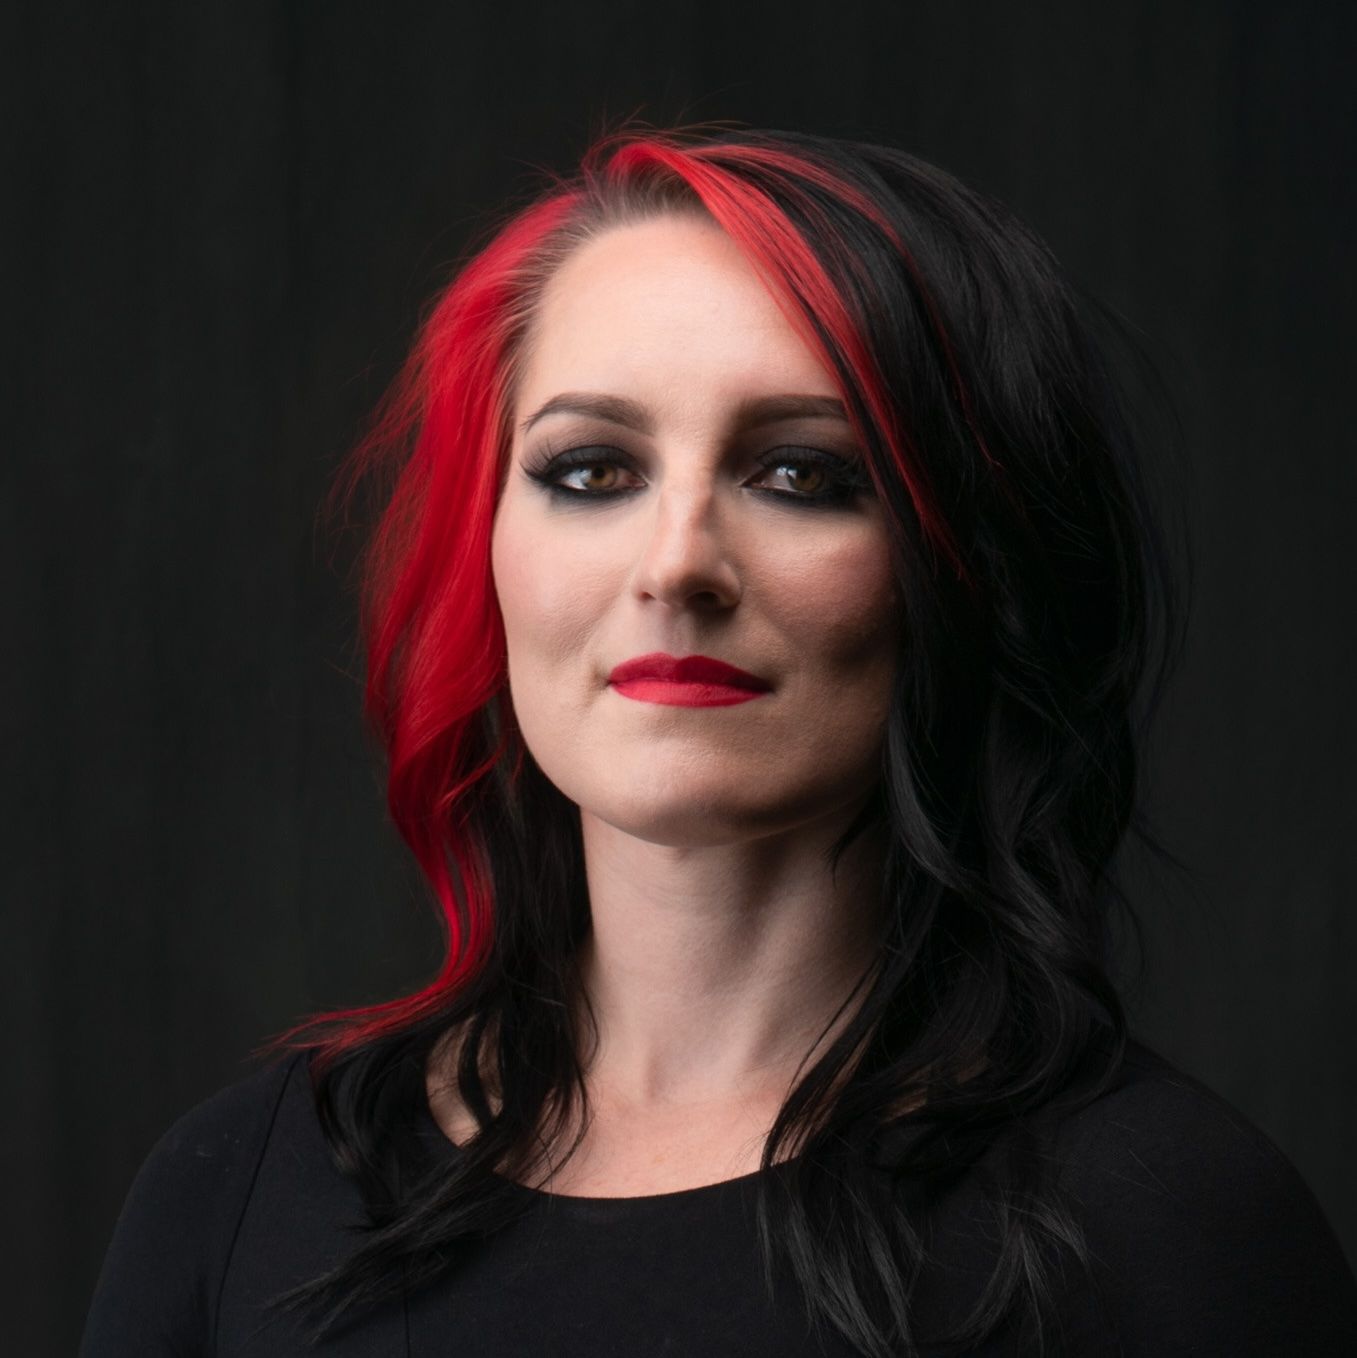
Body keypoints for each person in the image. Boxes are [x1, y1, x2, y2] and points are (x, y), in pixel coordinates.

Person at [80, 124, 1357, 1357]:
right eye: (589, 470)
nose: (677, 561)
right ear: (491, 554)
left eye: (802, 473)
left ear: (965, 569)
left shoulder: (1166, 1228)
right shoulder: (239, 1191)